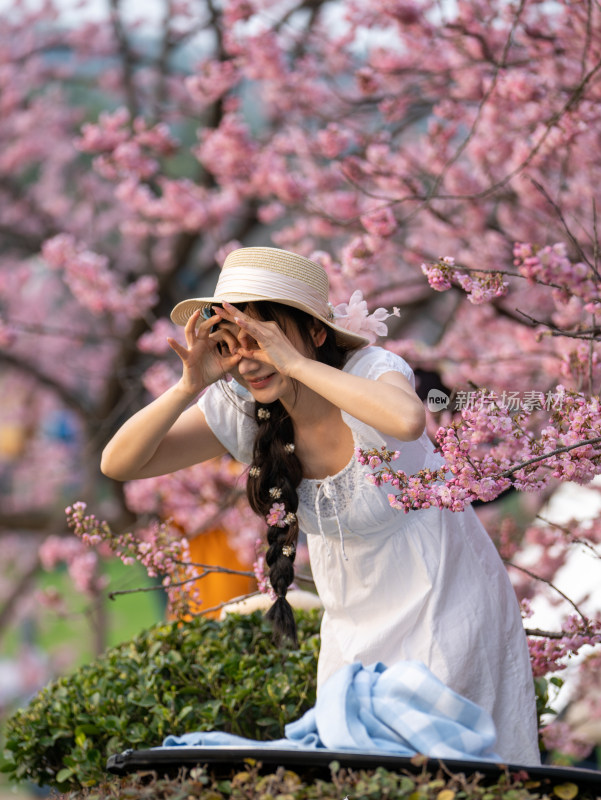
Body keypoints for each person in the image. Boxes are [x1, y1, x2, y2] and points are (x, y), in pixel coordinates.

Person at [101, 246, 540, 765]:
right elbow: (120, 462)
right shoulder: (246, 407)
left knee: (447, 771)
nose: (248, 358)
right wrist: (187, 386)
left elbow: (407, 420)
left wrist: (291, 364)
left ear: (315, 331)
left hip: (444, 602)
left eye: (263, 337)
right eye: (233, 342)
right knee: (354, 774)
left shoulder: (373, 369)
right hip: (352, 624)